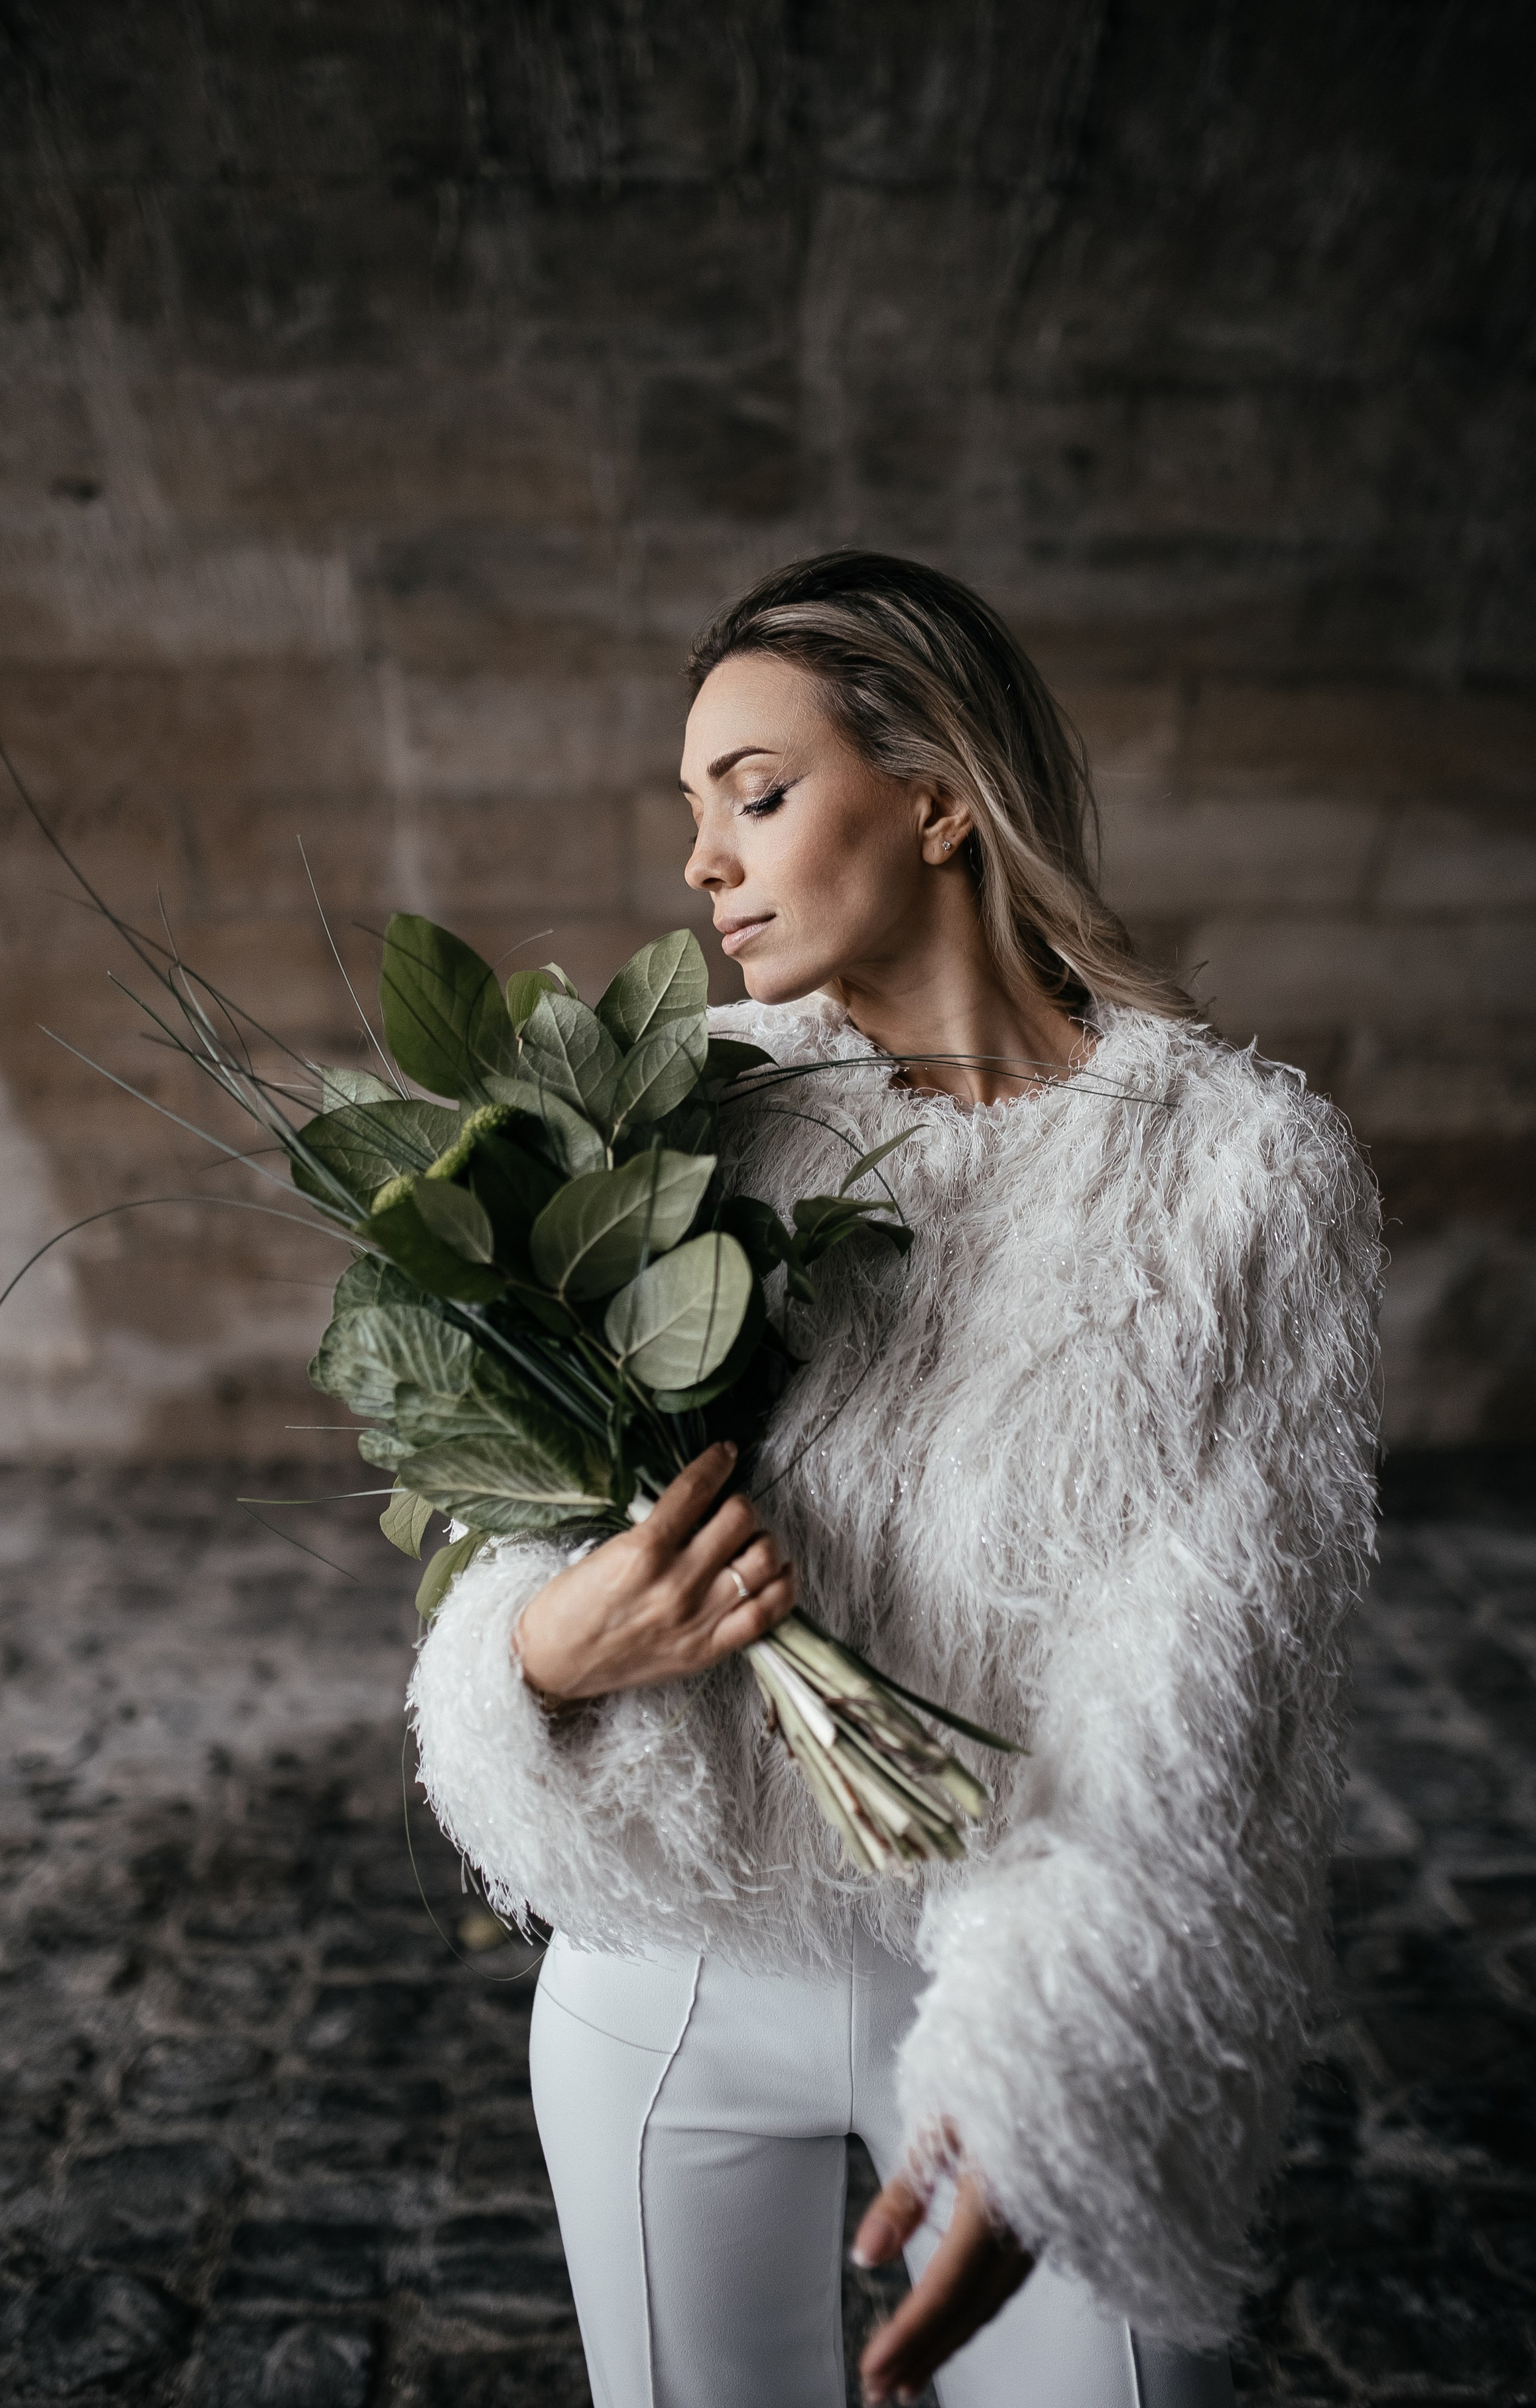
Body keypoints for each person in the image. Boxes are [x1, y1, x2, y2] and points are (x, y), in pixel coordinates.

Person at [410, 553, 1381, 2407]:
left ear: (936, 793)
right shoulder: (679, 1111)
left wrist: (1060, 2058)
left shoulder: (1241, 1171)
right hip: (669, 1978)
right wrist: (542, 1646)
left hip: (1029, 1986)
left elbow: (1208, 1672)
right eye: (692, 812)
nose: (704, 862)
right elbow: (497, 1534)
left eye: (755, 794)